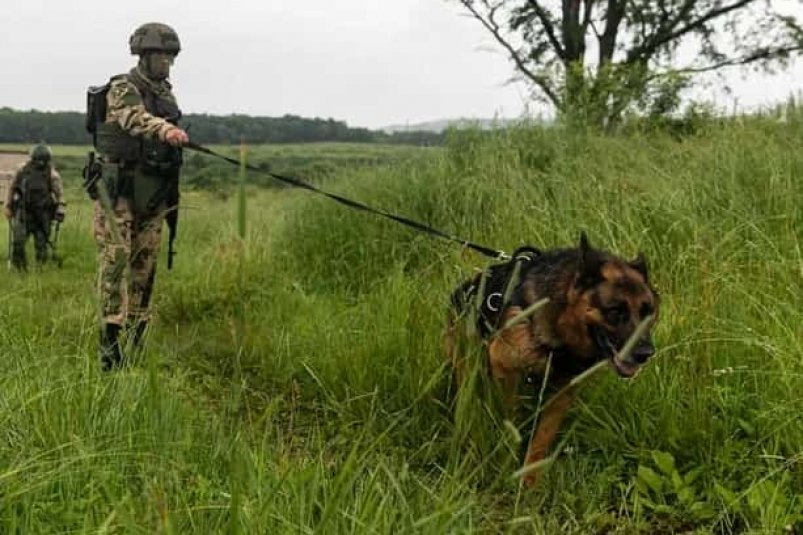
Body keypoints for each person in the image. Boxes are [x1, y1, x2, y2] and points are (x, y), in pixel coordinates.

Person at [91, 22, 189, 371]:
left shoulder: (166, 93)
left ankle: (136, 340)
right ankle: (109, 347)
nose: (167, 62)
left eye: (171, 56)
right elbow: (133, 119)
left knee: (144, 268)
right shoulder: (122, 87)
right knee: (116, 263)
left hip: (153, 192)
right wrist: (167, 130)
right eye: (161, 55)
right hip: (118, 193)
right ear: (144, 56)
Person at [3, 144, 65, 270]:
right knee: (18, 241)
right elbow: (12, 188)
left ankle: (40, 268)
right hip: (24, 211)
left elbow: (60, 195)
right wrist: (8, 206)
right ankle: (20, 268)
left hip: (43, 214)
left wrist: (60, 209)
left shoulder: (52, 175)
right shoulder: (21, 170)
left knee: (41, 244)